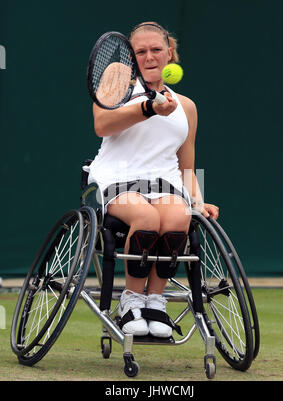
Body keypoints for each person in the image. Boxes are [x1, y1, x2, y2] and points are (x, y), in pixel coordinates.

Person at [87, 22, 219, 338]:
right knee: (146, 217)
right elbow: (102, 124)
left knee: (178, 217)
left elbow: (187, 167)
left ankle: (155, 302)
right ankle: (132, 300)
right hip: (117, 179)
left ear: (169, 53)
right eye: (140, 51)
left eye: (156, 50)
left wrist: (199, 202)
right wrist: (149, 108)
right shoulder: (117, 79)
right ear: (131, 57)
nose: (149, 57)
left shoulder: (186, 106)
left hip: (165, 184)